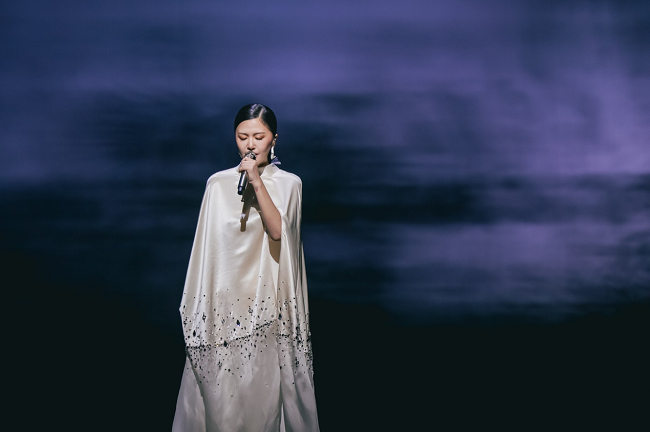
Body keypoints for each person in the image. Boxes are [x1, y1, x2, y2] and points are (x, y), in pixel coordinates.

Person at [172, 104, 320, 432]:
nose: (250, 144)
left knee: (262, 404)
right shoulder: (217, 185)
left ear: (274, 139)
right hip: (225, 310)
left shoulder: (290, 184)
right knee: (222, 407)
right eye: (243, 137)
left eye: (259, 137)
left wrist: (256, 180)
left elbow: (278, 232)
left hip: (267, 310)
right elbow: (208, 253)